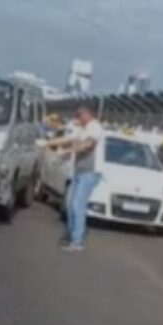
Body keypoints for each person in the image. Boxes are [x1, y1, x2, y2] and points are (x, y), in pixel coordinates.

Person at [47, 106, 104, 252]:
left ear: (87, 115)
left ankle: (77, 241)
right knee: (70, 203)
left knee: (78, 205)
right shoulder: (83, 129)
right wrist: (49, 142)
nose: (77, 118)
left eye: (79, 115)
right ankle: (72, 236)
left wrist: (66, 150)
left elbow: (87, 145)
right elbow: (69, 138)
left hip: (90, 172)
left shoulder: (95, 128)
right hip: (78, 171)